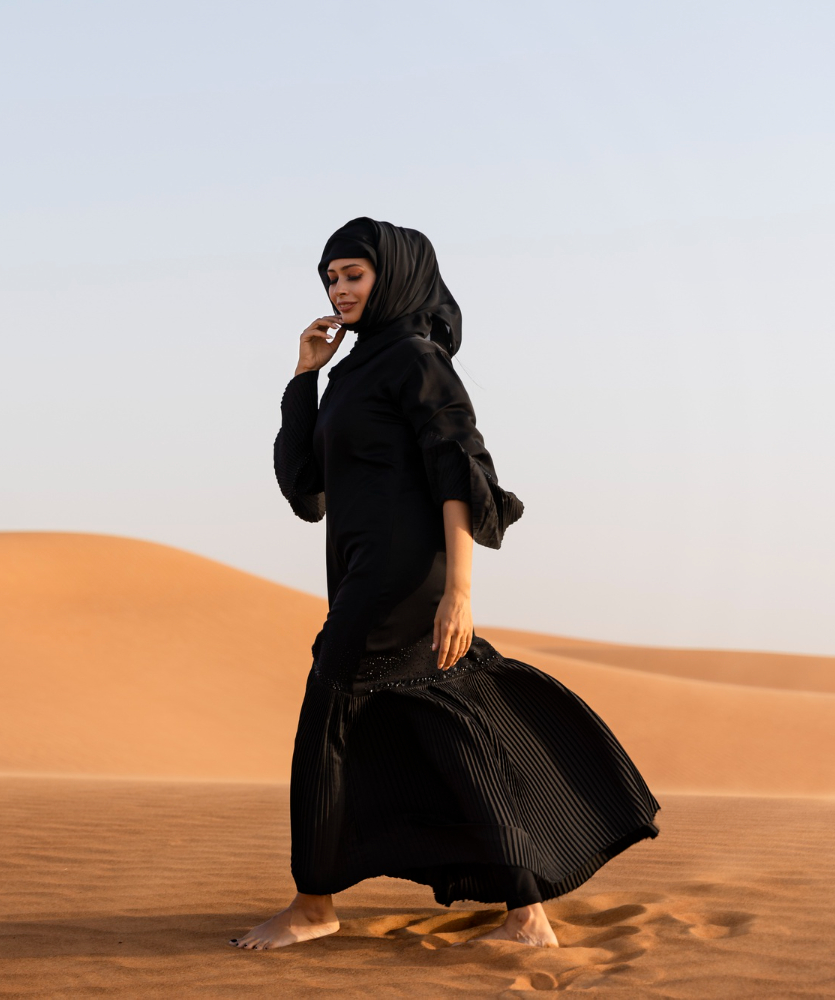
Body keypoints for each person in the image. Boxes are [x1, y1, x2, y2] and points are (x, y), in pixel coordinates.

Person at [231, 218, 659, 951]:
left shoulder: (417, 360)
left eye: (354, 275)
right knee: (444, 727)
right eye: (330, 277)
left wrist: (460, 590)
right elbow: (306, 492)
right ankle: (526, 912)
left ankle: (313, 905)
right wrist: (303, 379)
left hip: (405, 576)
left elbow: (458, 472)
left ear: (393, 275)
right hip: (359, 571)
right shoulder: (350, 373)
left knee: (327, 720)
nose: (339, 288)